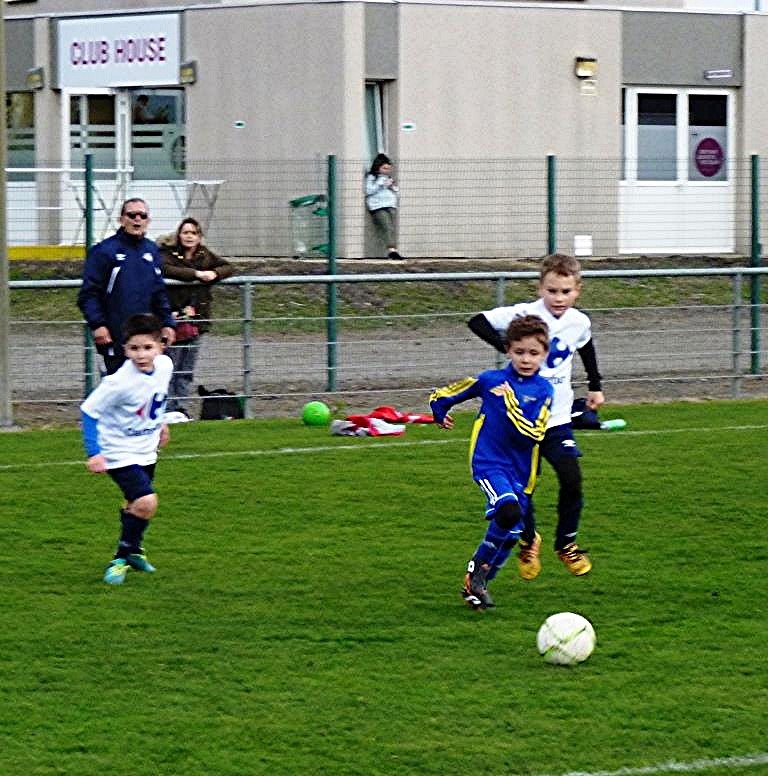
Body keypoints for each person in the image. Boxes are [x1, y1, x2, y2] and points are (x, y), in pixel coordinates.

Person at [467, 252, 604, 578]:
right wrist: (508, 346)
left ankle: (566, 544)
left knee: (572, 479)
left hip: (556, 420)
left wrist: (595, 386)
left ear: (577, 290)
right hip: (520, 423)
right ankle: (529, 541)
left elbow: (585, 346)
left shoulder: (579, 322)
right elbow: (477, 321)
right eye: (552, 290)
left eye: (566, 291)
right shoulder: (525, 315)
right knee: (522, 491)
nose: (558, 298)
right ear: (540, 287)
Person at [430, 315, 553, 610]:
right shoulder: (491, 380)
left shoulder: (544, 391)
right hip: (488, 462)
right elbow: (448, 393)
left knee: (511, 533)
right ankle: (477, 575)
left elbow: (534, 433)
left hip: (522, 470)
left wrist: (510, 402)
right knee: (508, 510)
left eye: (533, 353)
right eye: (519, 352)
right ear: (507, 350)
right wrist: (439, 410)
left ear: (544, 354)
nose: (526, 359)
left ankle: (478, 583)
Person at [80, 313, 174, 585]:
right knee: (146, 501)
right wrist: (94, 452)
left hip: (146, 449)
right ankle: (120, 558)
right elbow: (89, 412)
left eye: (147, 347)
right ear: (125, 349)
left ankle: (134, 551)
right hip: (117, 452)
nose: (141, 355)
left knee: (134, 504)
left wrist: (161, 423)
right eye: (134, 348)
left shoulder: (165, 366)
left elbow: (156, 397)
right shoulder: (118, 382)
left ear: (161, 347)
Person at [77, 197, 176, 375]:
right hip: (116, 335)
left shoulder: (152, 250)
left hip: (147, 337)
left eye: (142, 216)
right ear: (121, 219)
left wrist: (168, 323)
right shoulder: (104, 251)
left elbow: (159, 292)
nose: (137, 219)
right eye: (132, 215)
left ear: (148, 220)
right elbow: (89, 294)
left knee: (148, 384)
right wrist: (98, 324)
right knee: (118, 384)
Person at [159, 217, 234, 415]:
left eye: (194, 233)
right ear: (179, 235)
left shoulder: (205, 255)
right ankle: (167, 408)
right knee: (169, 367)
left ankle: (181, 408)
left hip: (197, 321)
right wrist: (197, 275)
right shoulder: (168, 254)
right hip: (173, 320)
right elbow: (167, 269)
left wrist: (215, 274)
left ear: (199, 236)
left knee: (186, 369)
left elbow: (228, 267)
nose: (189, 237)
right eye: (186, 232)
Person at [365, 153, 404, 260]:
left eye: (388, 169)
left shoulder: (388, 177)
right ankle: (392, 251)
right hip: (378, 206)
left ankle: (392, 250)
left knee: (390, 228)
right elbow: (368, 190)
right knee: (386, 226)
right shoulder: (372, 177)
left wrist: (392, 187)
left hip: (390, 205)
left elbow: (397, 191)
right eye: (384, 168)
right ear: (378, 167)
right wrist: (380, 184)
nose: (387, 171)